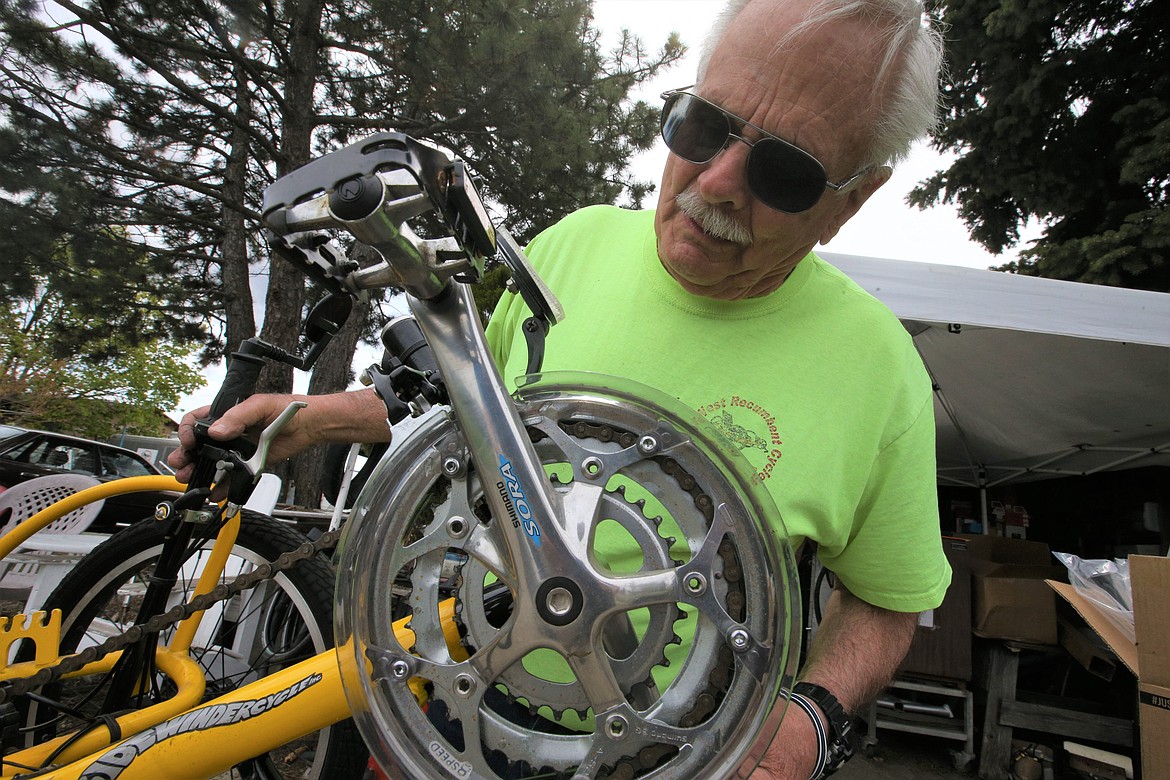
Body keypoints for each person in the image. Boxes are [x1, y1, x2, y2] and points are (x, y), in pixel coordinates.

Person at [170, 0, 950, 777]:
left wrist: (812, 720)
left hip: (669, 753)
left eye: (785, 172)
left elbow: (887, 601)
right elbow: (470, 402)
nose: (714, 183)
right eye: (703, 126)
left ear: (853, 199)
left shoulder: (880, 374)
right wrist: (311, 419)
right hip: (456, 694)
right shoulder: (572, 246)